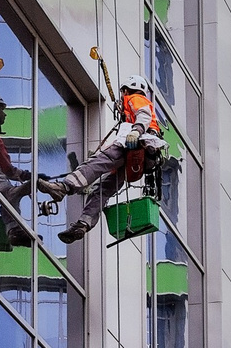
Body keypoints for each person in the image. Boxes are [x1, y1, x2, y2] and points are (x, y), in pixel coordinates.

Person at [36, 81, 168, 243]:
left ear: (126, 90)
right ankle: (83, 224)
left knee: (95, 164)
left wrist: (136, 130)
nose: (122, 96)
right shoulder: (129, 110)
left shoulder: (135, 98)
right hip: (143, 156)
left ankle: (63, 187)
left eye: (122, 93)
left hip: (135, 145)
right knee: (103, 190)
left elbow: (144, 115)